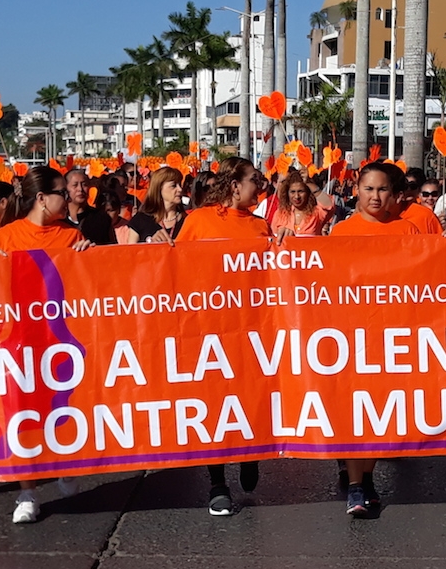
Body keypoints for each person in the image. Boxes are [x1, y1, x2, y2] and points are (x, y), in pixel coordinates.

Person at [175, 157, 293, 516]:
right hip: (210, 328)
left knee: (251, 396)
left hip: (254, 328)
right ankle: (216, 483)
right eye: (253, 181)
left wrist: (284, 247)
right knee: (215, 403)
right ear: (234, 185)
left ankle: (249, 452)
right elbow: (175, 268)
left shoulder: (261, 226)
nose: (260, 187)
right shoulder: (197, 221)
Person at [0, 167, 93, 524]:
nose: (73, 197)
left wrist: (89, 259)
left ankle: (66, 464)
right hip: (19, 341)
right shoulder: (6, 237)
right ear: (42, 198)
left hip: (60, 337)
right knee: (22, 413)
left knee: (65, 405)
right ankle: (27, 492)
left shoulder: (72, 235)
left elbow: (87, 286)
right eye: (62, 192)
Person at [329, 163, 419, 517]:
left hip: (394, 336)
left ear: (393, 193)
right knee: (356, 413)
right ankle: (355, 486)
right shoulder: (341, 233)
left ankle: (366, 478)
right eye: (368, 189)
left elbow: (429, 278)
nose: (375, 196)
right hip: (353, 337)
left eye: (382, 189)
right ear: (357, 190)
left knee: (380, 413)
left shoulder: (408, 230)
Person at [129, 167, 185, 244]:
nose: (180, 189)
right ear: (159, 188)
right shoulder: (140, 220)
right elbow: (130, 253)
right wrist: (149, 242)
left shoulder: (187, 220)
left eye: (180, 184)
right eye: (173, 185)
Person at [269, 169, 333, 236]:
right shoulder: (280, 213)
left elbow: (329, 205)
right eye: (292, 192)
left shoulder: (317, 213)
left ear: (308, 192)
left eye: (301, 191)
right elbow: (272, 240)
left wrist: (309, 183)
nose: (297, 196)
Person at [65, 169, 114, 245]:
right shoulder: (60, 220)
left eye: (84, 185)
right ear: (66, 189)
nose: (80, 189)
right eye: (75, 185)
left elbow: (112, 247)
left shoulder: (101, 218)